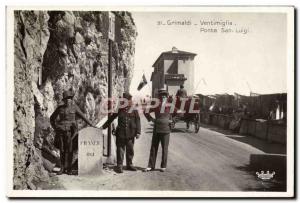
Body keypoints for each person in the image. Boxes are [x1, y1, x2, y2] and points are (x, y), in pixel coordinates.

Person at [50, 90, 94, 175]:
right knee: (62, 150)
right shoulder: (60, 108)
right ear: (64, 100)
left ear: (72, 99)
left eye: (70, 98)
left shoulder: (75, 107)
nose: (68, 100)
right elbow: (52, 118)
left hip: (71, 132)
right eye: (66, 99)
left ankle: (69, 169)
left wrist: (91, 124)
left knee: (70, 150)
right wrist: (55, 128)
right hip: (61, 132)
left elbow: (83, 117)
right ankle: (62, 168)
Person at [102, 92, 141, 173]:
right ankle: (119, 166)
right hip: (121, 133)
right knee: (120, 150)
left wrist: (138, 132)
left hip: (131, 133)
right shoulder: (119, 109)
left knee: (130, 150)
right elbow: (112, 118)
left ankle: (129, 165)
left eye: (128, 100)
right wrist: (104, 126)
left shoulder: (134, 109)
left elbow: (138, 120)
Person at [143, 88, 173, 172]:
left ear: (166, 96)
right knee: (153, 147)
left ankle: (163, 166)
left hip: (166, 130)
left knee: (165, 148)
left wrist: (172, 121)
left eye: (164, 95)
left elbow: (180, 113)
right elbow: (146, 111)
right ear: (158, 96)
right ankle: (150, 166)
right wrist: (151, 119)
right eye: (161, 95)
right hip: (157, 129)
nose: (163, 96)